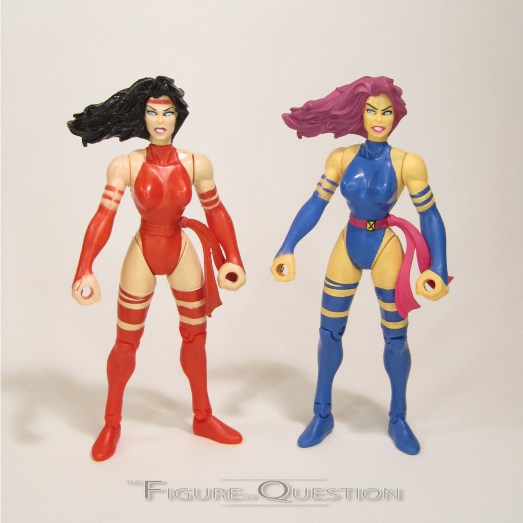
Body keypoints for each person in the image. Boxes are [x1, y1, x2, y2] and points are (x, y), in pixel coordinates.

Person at [68, 76, 246, 461]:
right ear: (142, 117)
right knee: (126, 342)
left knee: (195, 337)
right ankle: (112, 422)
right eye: (152, 112)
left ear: (178, 116)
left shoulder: (196, 163)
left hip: (180, 248)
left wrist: (233, 258)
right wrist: (84, 268)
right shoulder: (126, 165)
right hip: (144, 250)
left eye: (167, 112)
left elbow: (216, 210)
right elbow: (104, 216)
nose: (160, 120)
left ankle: (203, 416)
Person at [271, 76, 450, 455]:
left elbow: (429, 214)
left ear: (395, 117)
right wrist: (287, 246)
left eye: (386, 112)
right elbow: (316, 202)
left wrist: (438, 266)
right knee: (329, 332)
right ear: (360, 113)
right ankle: (322, 413)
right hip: (349, 242)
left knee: (396, 338)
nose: (379, 119)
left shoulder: (408, 163)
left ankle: (398, 417)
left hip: (385, 244)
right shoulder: (341, 158)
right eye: (371, 110)